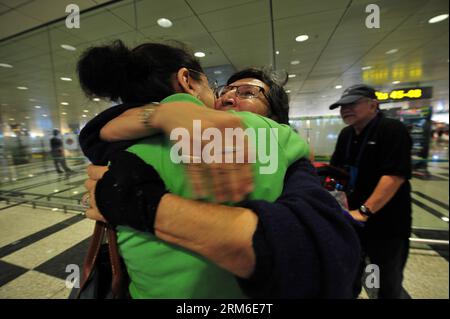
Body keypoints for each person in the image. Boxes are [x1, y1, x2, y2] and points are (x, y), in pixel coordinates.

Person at [78, 40, 360, 298]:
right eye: (221, 89)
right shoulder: (273, 135)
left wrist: (138, 203)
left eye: (249, 93)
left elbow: (95, 136)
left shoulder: (117, 150)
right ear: (187, 81)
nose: (224, 98)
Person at [329, 84, 412, 299]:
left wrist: (365, 211)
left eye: (352, 104)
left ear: (373, 105)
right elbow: (337, 172)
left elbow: (394, 176)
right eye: (342, 106)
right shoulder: (346, 134)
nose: (345, 109)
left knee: (386, 280)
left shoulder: (392, 130)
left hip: (387, 224)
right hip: (353, 221)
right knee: (353, 275)